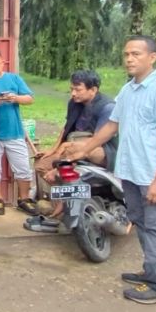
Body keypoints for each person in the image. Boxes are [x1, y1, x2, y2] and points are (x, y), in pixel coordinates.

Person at [69, 36, 156, 305]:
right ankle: (151, 272)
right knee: (140, 222)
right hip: (131, 172)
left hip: (154, 176)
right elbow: (111, 126)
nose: (129, 58)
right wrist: (84, 149)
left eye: (136, 54)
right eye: (127, 54)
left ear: (152, 57)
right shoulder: (128, 90)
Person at [35, 70, 116, 216]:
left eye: (78, 90)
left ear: (93, 90)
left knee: (68, 152)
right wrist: (53, 149)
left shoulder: (107, 107)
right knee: (41, 164)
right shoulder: (74, 103)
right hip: (72, 146)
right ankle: (62, 201)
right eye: (71, 89)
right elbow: (66, 128)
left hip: (101, 149)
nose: (73, 93)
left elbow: (98, 139)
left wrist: (66, 148)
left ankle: (62, 202)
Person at [0, 49, 37, 215]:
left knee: (23, 167)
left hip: (15, 131)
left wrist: (15, 98)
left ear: (3, 62)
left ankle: (24, 199)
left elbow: (30, 99)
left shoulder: (14, 78)